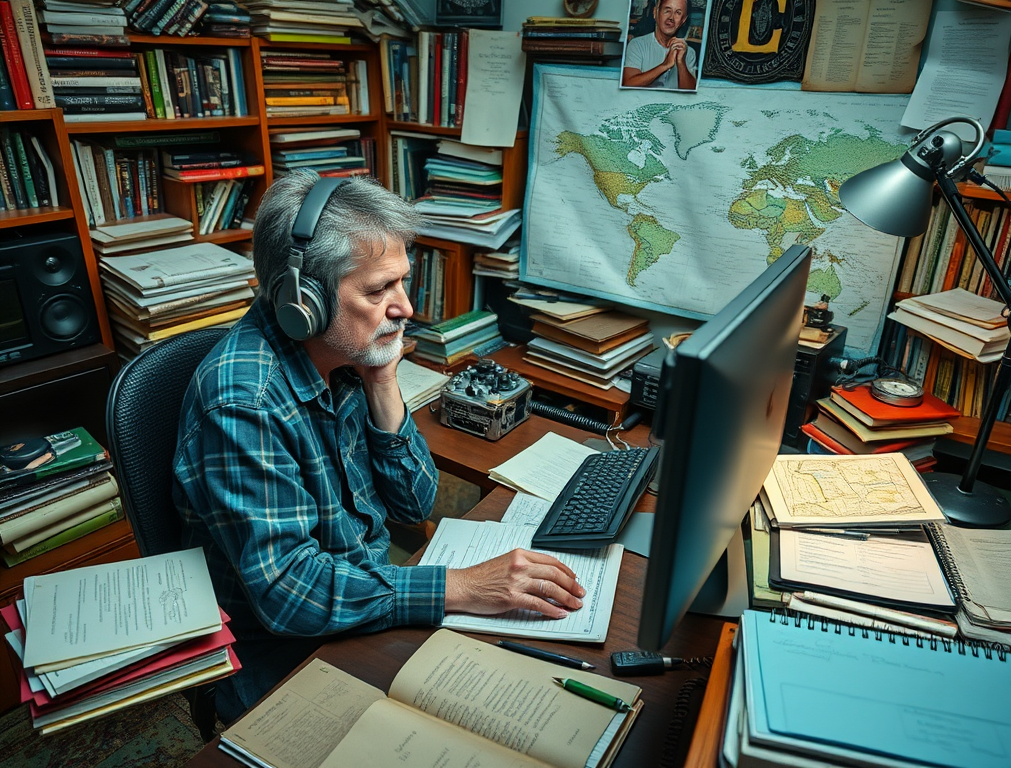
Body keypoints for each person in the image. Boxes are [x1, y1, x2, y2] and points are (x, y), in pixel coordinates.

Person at [172, 171, 586, 723]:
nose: (406, 308)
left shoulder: (345, 358)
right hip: (282, 648)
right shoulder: (243, 402)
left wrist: (383, 382)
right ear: (303, 301)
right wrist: (461, 586)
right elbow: (290, 594)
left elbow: (413, 505)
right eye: (377, 290)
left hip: (360, 594)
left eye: (402, 282)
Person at [622, 0, 697, 91]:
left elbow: (691, 95)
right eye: (667, 10)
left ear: (683, 20)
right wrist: (665, 65)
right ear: (655, 13)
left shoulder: (689, 52)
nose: (671, 17)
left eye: (678, 13)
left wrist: (681, 63)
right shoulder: (637, 45)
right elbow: (628, 84)